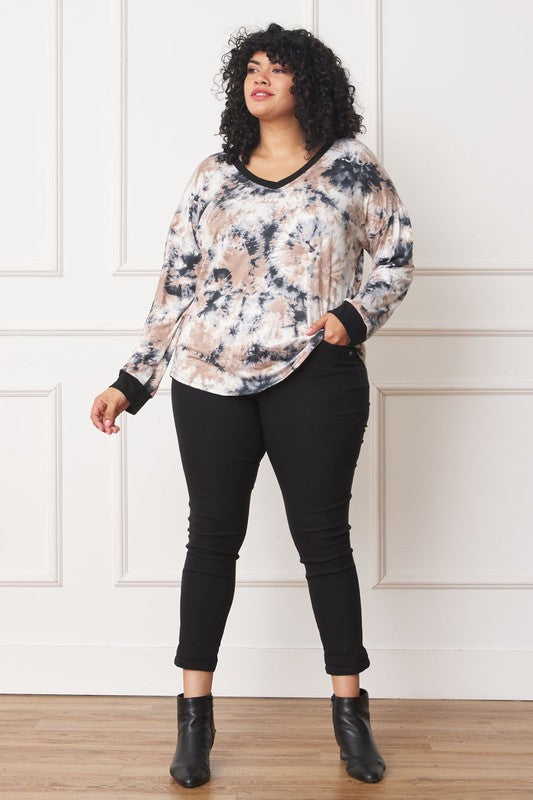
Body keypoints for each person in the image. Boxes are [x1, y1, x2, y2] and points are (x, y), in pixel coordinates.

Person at [90, 21, 414, 789]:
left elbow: (396, 254)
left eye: (277, 67)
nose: (259, 77)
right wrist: (132, 380)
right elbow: (176, 283)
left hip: (317, 376)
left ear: (310, 82)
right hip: (207, 377)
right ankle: (194, 720)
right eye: (250, 68)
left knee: (323, 544)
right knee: (211, 543)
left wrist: (353, 316)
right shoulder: (212, 175)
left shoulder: (349, 166)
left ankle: (350, 715)